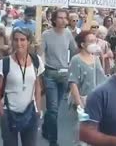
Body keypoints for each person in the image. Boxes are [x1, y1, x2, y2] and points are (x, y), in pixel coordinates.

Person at [0, 27, 45, 146]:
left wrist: (38, 109)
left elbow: (38, 87)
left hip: (30, 113)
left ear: (28, 41)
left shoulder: (36, 61)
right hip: (9, 113)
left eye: (22, 40)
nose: (19, 43)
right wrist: (2, 115)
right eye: (16, 40)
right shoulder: (5, 62)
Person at [41, 9, 78, 146]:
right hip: (50, 73)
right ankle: (53, 140)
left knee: (53, 108)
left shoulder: (68, 33)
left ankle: (46, 127)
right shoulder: (46, 34)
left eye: (65, 18)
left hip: (64, 74)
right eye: (60, 18)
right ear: (54, 20)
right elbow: (41, 53)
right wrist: (41, 68)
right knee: (53, 109)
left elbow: (74, 51)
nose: (63, 20)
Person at [68, 31, 107, 146]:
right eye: (90, 41)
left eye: (95, 41)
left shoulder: (95, 59)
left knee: (97, 132)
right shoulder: (76, 60)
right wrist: (79, 104)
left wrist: (102, 57)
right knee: (84, 135)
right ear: (82, 44)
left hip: (98, 100)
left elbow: (102, 76)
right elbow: (73, 83)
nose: (94, 43)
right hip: (84, 99)